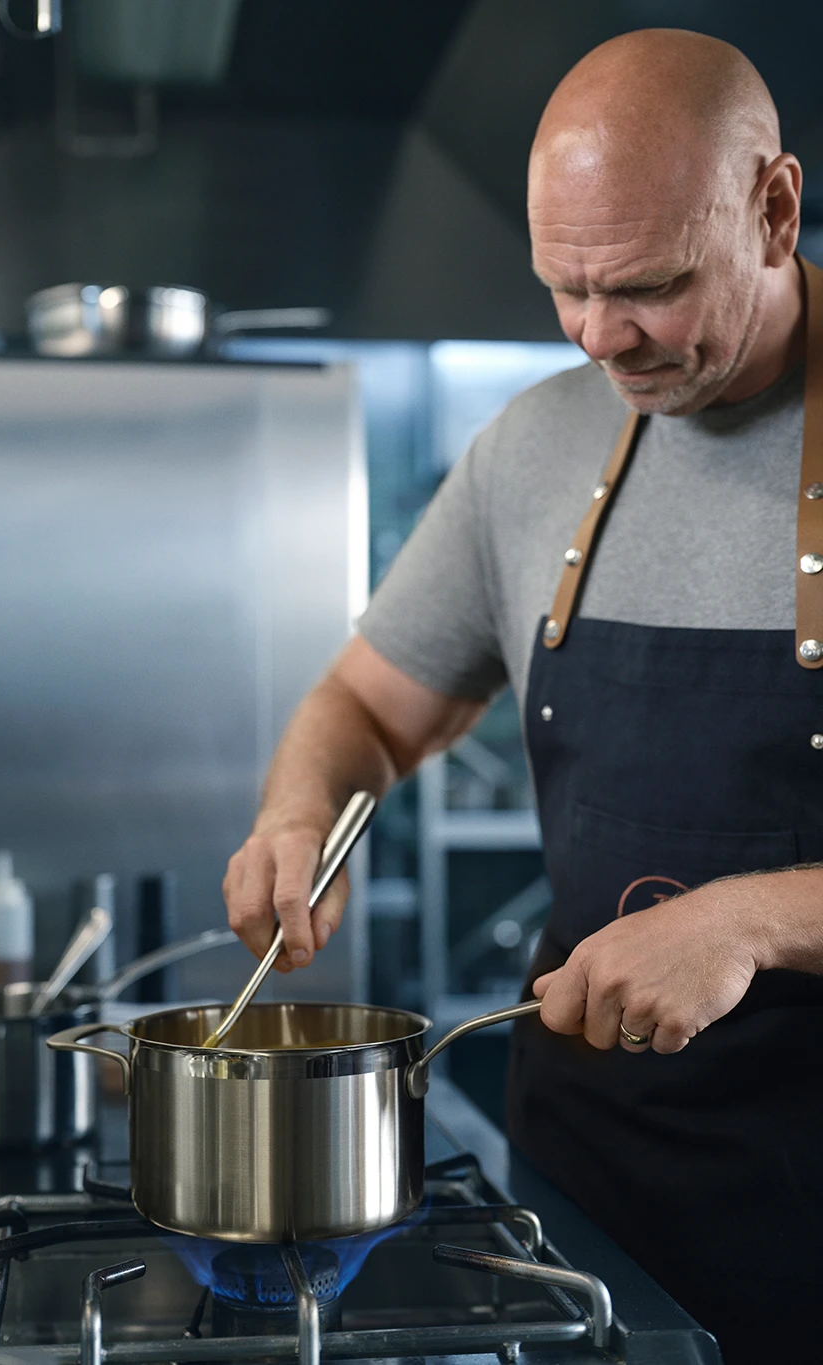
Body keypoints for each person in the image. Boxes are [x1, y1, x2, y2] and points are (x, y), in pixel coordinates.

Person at [222, 28, 823, 1365]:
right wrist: (298, 813)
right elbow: (371, 710)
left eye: (651, 287)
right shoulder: (537, 444)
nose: (604, 337)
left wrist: (757, 922)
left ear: (774, 209)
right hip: (582, 1214)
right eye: (568, 288)